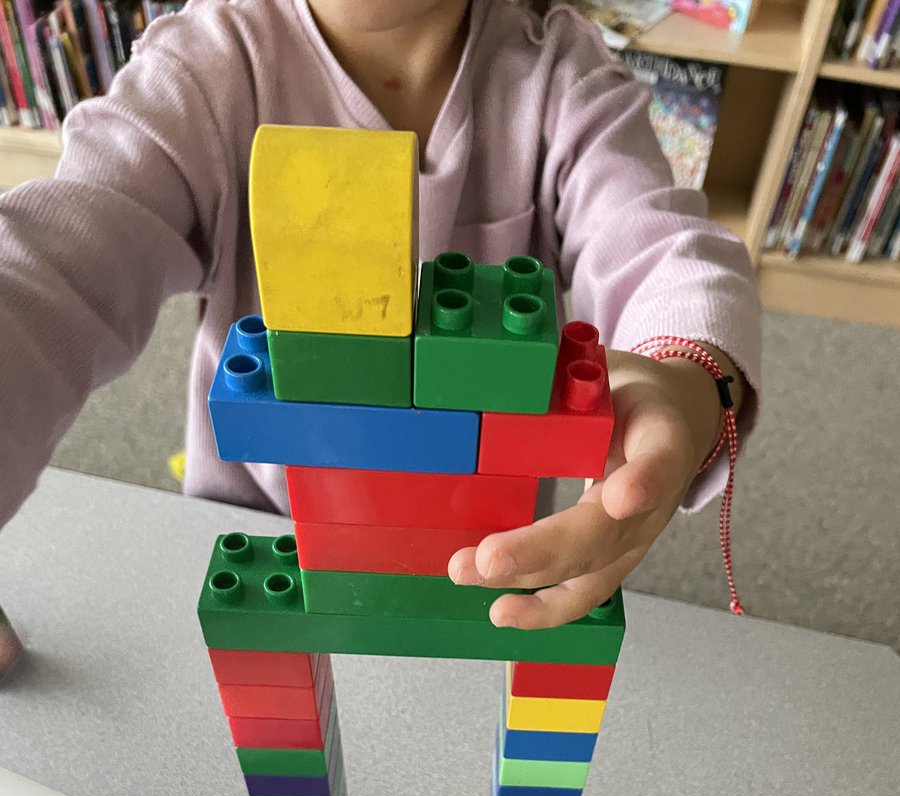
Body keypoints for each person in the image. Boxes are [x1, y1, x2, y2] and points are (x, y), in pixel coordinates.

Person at [0, 0, 760, 628]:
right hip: (273, 530)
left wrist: (689, 378)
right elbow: (55, 263)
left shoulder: (563, 77)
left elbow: (660, 247)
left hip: (482, 550)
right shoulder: (205, 70)